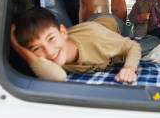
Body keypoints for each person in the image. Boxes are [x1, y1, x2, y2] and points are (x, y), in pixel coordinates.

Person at [11, 7, 141, 84]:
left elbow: (132, 46)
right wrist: (19, 48)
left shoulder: (97, 38)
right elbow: (59, 77)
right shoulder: (50, 59)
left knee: (147, 44)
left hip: (111, 25)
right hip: (88, 29)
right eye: (36, 48)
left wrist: (129, 67)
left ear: (62, 32)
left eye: (51, 38)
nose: (49, 52)